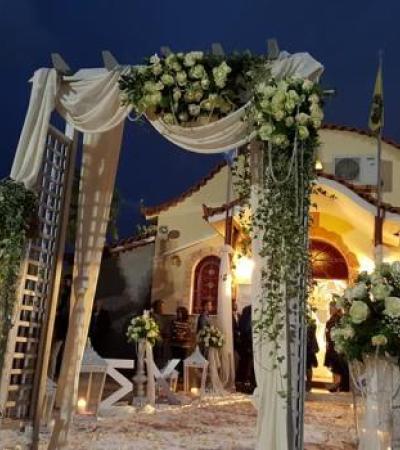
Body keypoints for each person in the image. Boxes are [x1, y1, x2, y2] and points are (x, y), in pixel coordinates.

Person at [324, 301, 349, 392]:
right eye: (329, 307)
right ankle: (337, 385)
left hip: (336, 347)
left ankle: (337, 385)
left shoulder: (338, 319)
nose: (330, 310)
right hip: (332, 347)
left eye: (332, 308)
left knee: (337, 368)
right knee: (335, 368)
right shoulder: (333, 319)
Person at [236, 304, 255, 393]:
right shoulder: (248, 312)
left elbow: (242, 327)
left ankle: (242, 382)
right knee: (247, 363)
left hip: (245, 342)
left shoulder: (245, 313)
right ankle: (245, 383)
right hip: (248, 342)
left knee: (244, 363)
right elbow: (246, 328)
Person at [170, 306, 193, 377]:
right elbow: (171, 331)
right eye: (178, 312)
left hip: (184, 345)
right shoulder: (174, 321)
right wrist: (176, 335)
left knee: (182, 361)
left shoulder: (188, 322)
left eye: (180, 312)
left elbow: (190, 333)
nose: (179, 314)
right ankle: (174, 376)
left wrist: (184, 336)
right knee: (174, 361)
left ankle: (181, 377)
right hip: (175, 344)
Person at [306, 317, 319, 392]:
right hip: (308, 349)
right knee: (308, 367)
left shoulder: (311, 324)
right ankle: (308, 384)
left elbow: (313, 328)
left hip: (309, 349)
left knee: (308, 367)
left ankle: (309, 383)